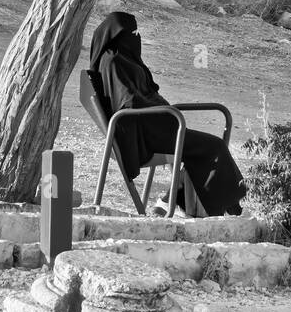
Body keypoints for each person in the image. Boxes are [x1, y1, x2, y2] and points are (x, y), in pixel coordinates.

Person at [87, 11, 246, 216]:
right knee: (213, 147)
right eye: (131, 33)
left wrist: (164, 111)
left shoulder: (125, 59)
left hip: (156, 126)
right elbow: (129, 103)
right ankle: (227, 209)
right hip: (143, 136)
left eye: (138, 32)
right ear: (117, 35)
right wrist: (165, 111)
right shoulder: (114, 62)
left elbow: (143, 95)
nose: (136, 37)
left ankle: (174, 201)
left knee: (204, 150)